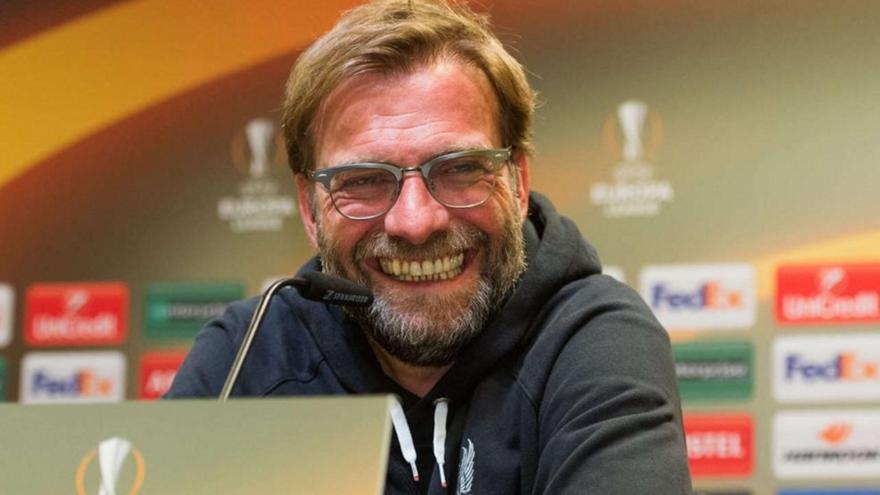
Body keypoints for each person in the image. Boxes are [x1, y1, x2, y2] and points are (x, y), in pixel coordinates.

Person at [165, 0, 693, 493]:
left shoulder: (593, 339)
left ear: (518, 182)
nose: (415, 222)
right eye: (364, 180)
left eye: (460, 169)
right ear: (308, 208)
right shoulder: (247, 355)